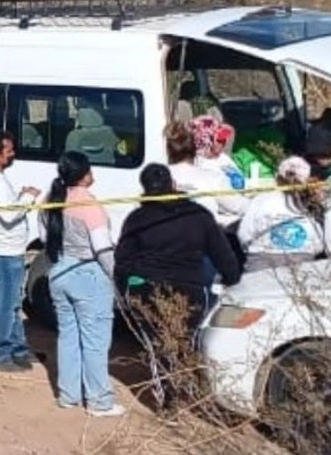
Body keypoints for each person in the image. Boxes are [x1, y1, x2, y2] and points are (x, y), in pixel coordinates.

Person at [115, 163, 241, 415]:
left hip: (148, 290)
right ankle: (189, 393)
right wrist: (232, 277)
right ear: (172, 184)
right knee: (187, 341)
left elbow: (123, 259)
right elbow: (222, 253)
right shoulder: (198, 216)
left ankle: (169, 401)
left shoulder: (137, 219)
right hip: (190, 289)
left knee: (159, 344)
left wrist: (125, 290)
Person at [39, 152, 124, 417]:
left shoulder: (49, 201)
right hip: (88, 276)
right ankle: (99, 401)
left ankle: (68, 395)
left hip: (59, 272)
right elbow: (102, 249)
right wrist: (117, 279)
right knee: (95, 342)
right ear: (85, 174)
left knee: (68, 337)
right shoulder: (90, 205)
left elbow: (44, 239)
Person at [0, 131, 42, 372]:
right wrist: (28, 198)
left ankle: (19, 349)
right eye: (9, 151)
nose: (13, 155)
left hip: (9, 248)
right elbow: (7, 215)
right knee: (6, 305)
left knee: (14, 303)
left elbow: (6, 208)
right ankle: (2, 355)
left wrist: (19, 197)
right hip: (2, 251)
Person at [236, 157, 327, 272]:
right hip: (302, 264)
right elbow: (319, 243)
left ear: (277, 177)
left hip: (261, 260)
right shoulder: (310, 205)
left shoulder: (261, 200)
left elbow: (244, 234)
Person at [166, 121, 247, 226]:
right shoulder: (211, 178)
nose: (224, 143)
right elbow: (240, 206)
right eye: (219, 140)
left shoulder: (157, 178)